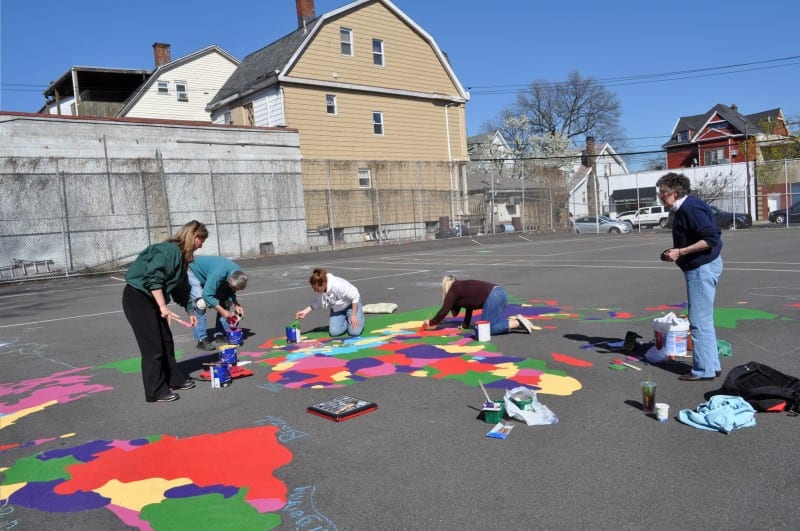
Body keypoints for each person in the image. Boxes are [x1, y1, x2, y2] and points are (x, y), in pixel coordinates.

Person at [122, 220, 208, 403]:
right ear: (195, 237)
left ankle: (174, 380)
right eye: (202, 240)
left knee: (166, 342)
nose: (202, 245)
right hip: (138, 298)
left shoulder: (182, 258)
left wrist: (190, 311)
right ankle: (156, 391)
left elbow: (181, 289)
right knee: (153, 347)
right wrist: (163, 307)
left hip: (154, 300)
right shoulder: (168, 251)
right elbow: (153, 279)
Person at [656, 172, 723, 381]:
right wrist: (674, 251)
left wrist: (681, 252)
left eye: (663, 194)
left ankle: (703, 370)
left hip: (701, 268)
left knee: (699, 321)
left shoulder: (691, 208)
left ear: (675, 193)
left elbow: (711, 237)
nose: (661, 198)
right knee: (703, 320)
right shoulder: (686, 207)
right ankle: (710, 365)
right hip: (701, 266)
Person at [422, 275, 534, 335]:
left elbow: (444, 310)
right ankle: (519, 322)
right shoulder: (460, 287)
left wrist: (431, 323)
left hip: (493, 296)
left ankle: (517, 323)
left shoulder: (453, 289)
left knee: (487, 329)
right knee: (492, 324)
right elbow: (468, 307)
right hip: (501, 293)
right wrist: (465, 325)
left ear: (445, 286)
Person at [188, 256, 248, 350]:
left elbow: (230, 291)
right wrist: (223, 312)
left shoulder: (238, 274)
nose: (234, 290)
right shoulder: (218, 273)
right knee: (201, 303)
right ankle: (201, 339)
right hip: (193, 271)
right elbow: (207, 295)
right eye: (234, 288)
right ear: (230, 280)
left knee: (226, 300)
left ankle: (220, 334)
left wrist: (236, 304)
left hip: (210, 275)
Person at [295, 268, 365, 337]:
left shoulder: (338, 285)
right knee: (334, 332)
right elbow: (317, 302)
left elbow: (355, 296)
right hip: (338, 309)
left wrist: (353, 315)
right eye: (313, 288)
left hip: (351, 305)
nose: (314, 290)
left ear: (323, 284)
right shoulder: (321, 290)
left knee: (355, 332)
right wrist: (305, 312)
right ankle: (347, 321)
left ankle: (358, 317)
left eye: (316, 288)